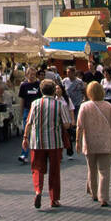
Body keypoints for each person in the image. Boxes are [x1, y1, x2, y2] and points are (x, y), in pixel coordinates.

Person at [24, 79, 72, 208]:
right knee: (54, 171)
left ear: (41, 90)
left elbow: (28, 122)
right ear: (53, 92)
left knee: (37, 168)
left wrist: (25, 138)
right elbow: (67, 124)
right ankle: (54, 199)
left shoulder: (35, 103)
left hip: (37, 141)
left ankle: (38, 190)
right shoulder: (59, 105)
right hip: (54, 141)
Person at [76, 81, 111, 206]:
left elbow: (79, 126)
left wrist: (78, 141)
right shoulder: (108, 106)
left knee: (92, 169)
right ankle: (104, 197)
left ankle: (94, 193)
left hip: (90, 142)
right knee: (104, 170)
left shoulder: (84, 106)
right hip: (106, 141)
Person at [16, 69, 42, 163]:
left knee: (38, 132)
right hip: (27, 110)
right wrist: (21, 112)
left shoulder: (39, 85)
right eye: (31, 74)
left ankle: (39, 153)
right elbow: (22, 100)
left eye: (34, 74)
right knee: (26, 133)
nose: (32, 76)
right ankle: (24, 154)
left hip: (38, 111)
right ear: (27, 75)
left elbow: (42, 98)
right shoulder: (24, 85)